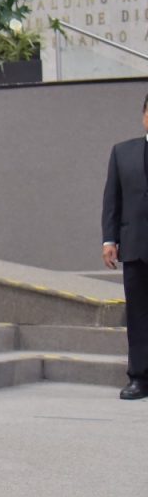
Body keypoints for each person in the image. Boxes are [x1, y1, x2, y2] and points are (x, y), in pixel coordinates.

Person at [100, 94, 148, 401]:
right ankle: (139, 377)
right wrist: (109, 240)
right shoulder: (123, 152)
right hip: (135, 247)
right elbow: (111, 200)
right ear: (144, 115)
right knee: (138, 316)